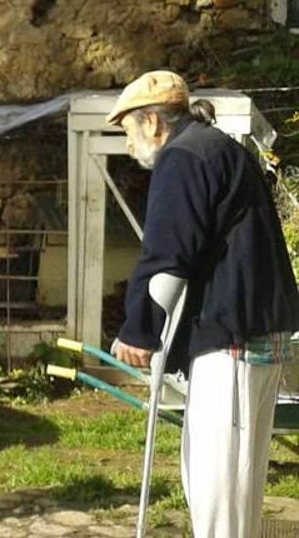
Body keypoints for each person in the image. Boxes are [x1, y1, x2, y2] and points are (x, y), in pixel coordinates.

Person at [108, 70, 299, 537]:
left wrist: (138, 332)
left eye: (128, 130)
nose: (129, 145)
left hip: (229, 337)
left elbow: (168, 256)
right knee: (240, 488)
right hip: (258, 333)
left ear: (152, 122)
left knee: (216, 490)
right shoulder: (223, 148)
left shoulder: (183, 157)